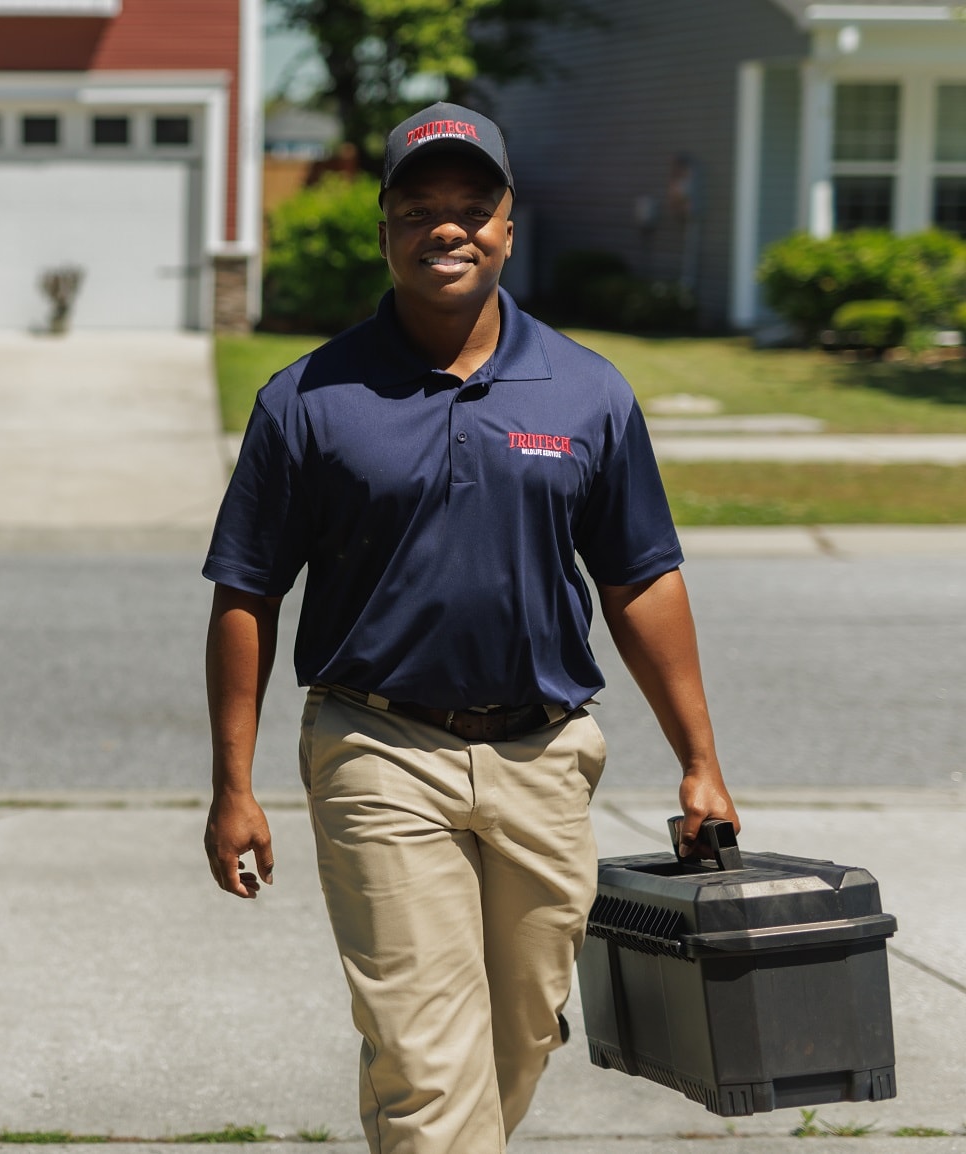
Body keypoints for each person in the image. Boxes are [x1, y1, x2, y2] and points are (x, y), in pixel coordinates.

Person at [200, 102, 741, 1154]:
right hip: (377, 748)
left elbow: (640, 579)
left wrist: (700, 760)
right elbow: (245, 591)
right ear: (385, 229)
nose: (443, 228)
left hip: (544, 754)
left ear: (506, 226)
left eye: (468, 208)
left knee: (524, 1026)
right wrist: (232, 783)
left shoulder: (586, 391)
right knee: (422, 1057)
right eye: (417, 209)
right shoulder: (307, 400)